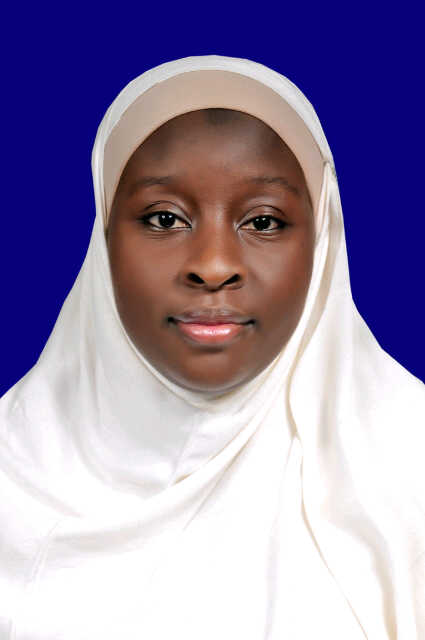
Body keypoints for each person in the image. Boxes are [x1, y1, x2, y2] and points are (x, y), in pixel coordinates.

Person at [0, 54, 424, 639]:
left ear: (322, 241)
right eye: (164, 219)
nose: (215, 265)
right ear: (103, 239)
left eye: (264, 222)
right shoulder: (12, 472)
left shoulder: (408, 468)